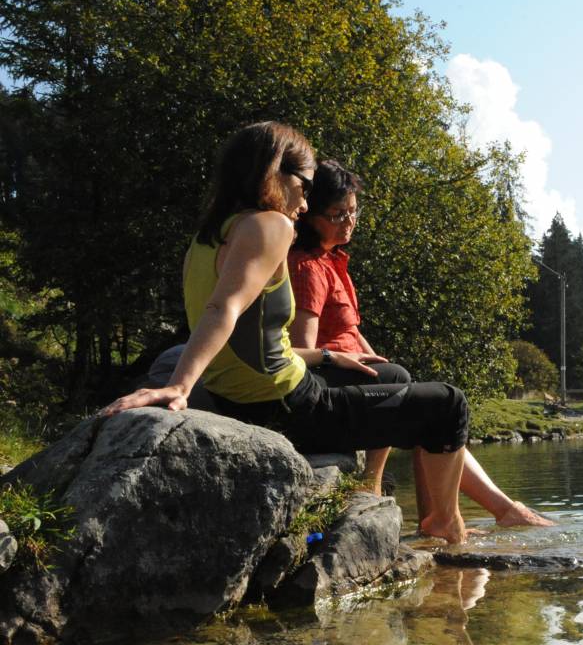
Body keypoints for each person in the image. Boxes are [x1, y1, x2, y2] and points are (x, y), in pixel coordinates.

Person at [102, 121, 470, 544]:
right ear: (276, 173)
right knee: (449, 406)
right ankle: (445, 530)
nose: (307, 199)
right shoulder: (271, 225)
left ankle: (395, 506)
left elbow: (254, 339)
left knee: (391, 375)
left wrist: (329, 357)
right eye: (307, 184)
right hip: (285, 407)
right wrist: (179, 386)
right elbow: (225, 308)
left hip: (247, 394)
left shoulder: (209, 235)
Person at [289, 159, 552, 528]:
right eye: (336, 215)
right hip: (325, 387)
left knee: (414, 396)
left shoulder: (330, 262)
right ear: (309, 216)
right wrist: (358, 363)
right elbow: (304, 346)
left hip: (348, 374)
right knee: (414, 392)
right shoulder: (306, 268)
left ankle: (451, 516)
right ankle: (466, 511)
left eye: (352, 212)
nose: (348, 222)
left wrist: (375, 359)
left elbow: (350, 333)